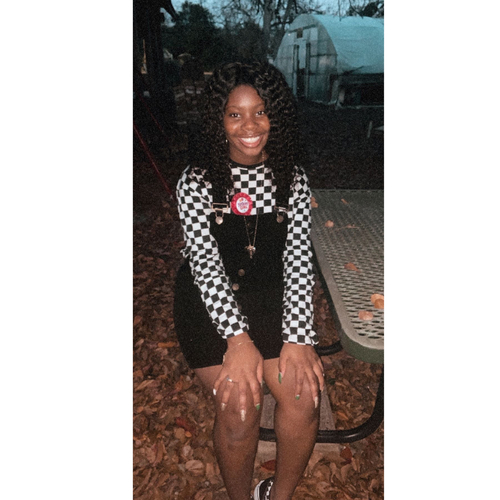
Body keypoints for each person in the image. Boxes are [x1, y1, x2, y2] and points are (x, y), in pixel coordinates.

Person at [174, 60, 325, 500]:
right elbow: (204, 264)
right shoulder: (197, 181)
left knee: (303, 398)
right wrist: (237, 341)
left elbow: (298, 257)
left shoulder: (292, 179)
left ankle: (278, 496)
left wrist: (298, 337)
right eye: (235, 114)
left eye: (260, 111)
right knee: (242, 404)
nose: (250, 126)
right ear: (218, 120)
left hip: (271, 295)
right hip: (210, 300)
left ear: (275, 115)